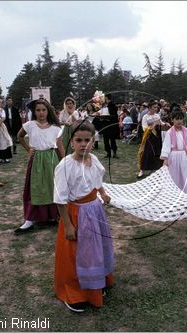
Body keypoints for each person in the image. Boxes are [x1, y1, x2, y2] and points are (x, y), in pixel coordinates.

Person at [53, 119, 114, 313]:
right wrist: (68, 225)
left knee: (95, 250)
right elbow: (60, 199)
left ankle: (96, 281)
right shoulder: (65, 166)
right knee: (77, 254)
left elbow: (96, 180)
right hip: (76, 213)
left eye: (87, 140)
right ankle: (75, 292)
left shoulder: (93, 159)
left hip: (94, 210)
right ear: (71, 142)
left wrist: (102, 193)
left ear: (93, 141)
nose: (83, 144)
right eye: (78, 140)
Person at [14, 99, 65, 233]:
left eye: (43, 110)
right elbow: (19, 136)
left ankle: (54, 216)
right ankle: (30, 219)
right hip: (36, 160)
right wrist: (28, 149)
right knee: (35, 187)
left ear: (48, 111)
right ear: (34, 112)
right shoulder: (29, 125)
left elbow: (60, 146)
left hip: (51, 159)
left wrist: (65, 162)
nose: (41, 113)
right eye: (38, 110)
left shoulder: (56, 128)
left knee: (52, 187)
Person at [160, 110, 187, 194]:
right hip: (173, 156)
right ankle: (173, 191)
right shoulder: (169, 132)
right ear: (172, 120)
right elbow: (166, 145)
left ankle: (185, 191)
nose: (179, 121)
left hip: (184, 155)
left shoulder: (186, 130)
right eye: (177, 119)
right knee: (174, 173)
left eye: (181, 119)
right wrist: (165, 158)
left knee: (184, 173)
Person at [137, 101, 166, 178]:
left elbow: (162, 124)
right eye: (154, 107)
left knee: (156, 153)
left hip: (157, 138)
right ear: (150, 108)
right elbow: (144, 128)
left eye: (157, 107)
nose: (156, 109)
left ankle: (154, 169)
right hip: (149, 137)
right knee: (147, 153)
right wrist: (154, 124)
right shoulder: (145, 117)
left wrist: (165, 124)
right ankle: (142, 169)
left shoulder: (157, 116)